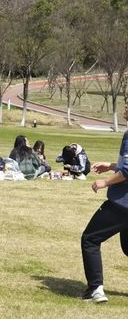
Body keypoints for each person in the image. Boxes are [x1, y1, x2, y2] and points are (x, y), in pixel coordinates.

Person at [80, 105, 128, 303]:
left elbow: (127, 171)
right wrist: (110, 166)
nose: (126, 107)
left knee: (90, 239)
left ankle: (95, 290)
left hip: (122, 203)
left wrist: (105, 182)